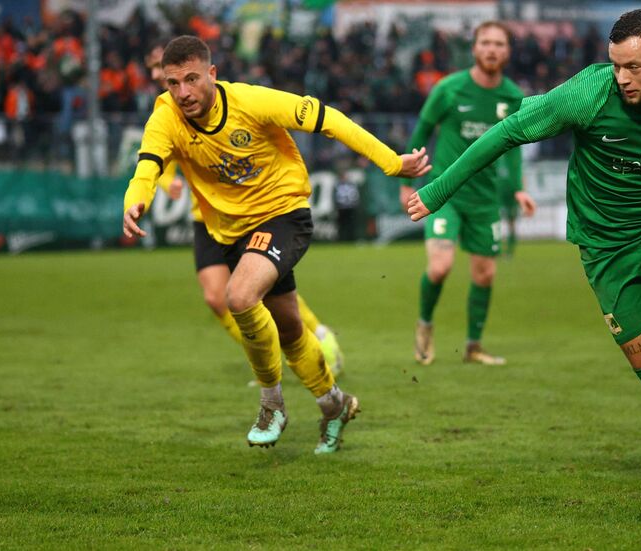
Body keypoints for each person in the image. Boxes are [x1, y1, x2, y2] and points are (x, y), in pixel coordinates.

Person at [407, 9, 641, 496]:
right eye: (616, 65)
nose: (622, 78)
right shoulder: (588, 91)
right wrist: (438, 190)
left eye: (634, 68)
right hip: (607, 249)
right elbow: (507, 132)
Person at [123, 36, 430, 453]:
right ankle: (335, 404)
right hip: (231, 231)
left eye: (192, 79)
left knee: (240, 296)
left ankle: (272, 403)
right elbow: (148, 165)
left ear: (212, 74)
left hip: (283, 214)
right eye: (173, 82)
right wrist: (135, 199)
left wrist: (392, 162)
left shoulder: (253, 101)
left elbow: (329, 119)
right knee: (289, 329)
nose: (183, 93)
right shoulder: (165, 116)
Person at [144, 46, 344, 381]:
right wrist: (166, 184)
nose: (153, 75)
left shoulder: (218, 100)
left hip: (248, 211)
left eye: (155, 67)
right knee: (217, 297)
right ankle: (267, 361)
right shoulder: (167, 108)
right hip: (204, 215)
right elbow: (156, 157)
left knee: (262, 292)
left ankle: (319, 337)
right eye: (153, 70)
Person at [400, 21, 536, 366]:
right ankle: (424, 325)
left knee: (485, 274)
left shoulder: (512, 97)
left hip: (485, 199)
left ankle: (473, 346)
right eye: (486, 43)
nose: (492, 49)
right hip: (444, 194)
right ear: (474, 49)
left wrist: (518, 188)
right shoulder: (449, 89)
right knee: (440, 267)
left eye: (499, 44)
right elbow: (422, 130)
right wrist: (405, 182)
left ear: (508, 52)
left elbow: (516, 146)